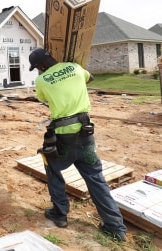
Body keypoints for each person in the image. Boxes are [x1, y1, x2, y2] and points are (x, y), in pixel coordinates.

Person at [28, 48, 127, 242]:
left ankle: (60, 213)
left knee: (53, 167)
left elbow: (43, 98)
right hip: (86, 133)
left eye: (37, 68)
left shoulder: (41, 80)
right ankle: (115, 227)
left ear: (40, 66)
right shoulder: (75, 67)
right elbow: (90, 78)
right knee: (96, 178)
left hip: (64, 138)